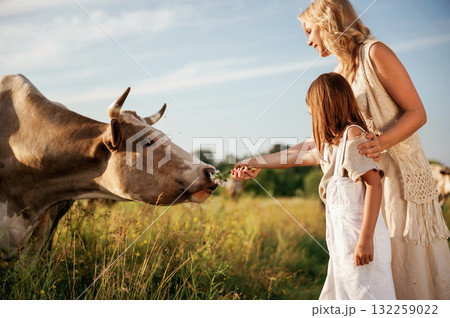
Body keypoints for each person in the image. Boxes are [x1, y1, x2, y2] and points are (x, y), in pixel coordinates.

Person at [236, 0, 450, 300]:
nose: (309, 40)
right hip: (366, 192)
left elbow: (417, 112)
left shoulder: (375, 52)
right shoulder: (340, 75)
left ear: (329, 23)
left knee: (409, 275)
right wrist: (258, 161)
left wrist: (382, 142)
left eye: (310, 31)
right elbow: (320, 148)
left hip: (399, 185)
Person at [233, 72, 396, 299]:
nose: (311, 118)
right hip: (342, 244)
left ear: (325, 108)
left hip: (363, 242)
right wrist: (254, 162)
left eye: (312, 112)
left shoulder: (354, 137)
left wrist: (366, 240)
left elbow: (374, 186)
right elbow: (293, 156)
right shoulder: (331, 146)